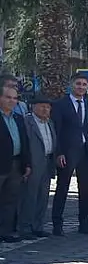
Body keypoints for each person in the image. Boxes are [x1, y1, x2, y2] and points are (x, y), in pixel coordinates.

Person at [51, 73, 88, 234]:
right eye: (78, 84)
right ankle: (57, 224)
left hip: (85, 152)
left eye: (84, 84)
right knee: (62, 188)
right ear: (72, 85)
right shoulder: (60, 105)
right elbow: (56, 130)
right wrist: (59, 153)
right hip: (68, 152)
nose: (81, 87)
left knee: (85, 189)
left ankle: (84, 223)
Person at [20, 97, 55, 238]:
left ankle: (38, 226)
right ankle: (25, 227)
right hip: (33, 163)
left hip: (47, 162)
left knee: (43, 197)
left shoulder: (50, 122)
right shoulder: (27, 122)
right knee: (29, 196)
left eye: (47, 107)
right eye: (42, 106)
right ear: (33, 107)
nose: (45, 109)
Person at [0, 86, 30, 243]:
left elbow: (24, 141)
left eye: (14, 98)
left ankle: (5, 232)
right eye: (8, 97)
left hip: (16, 164)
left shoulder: (18, 117)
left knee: (10, 200)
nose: (12, 101)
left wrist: (27, 163)